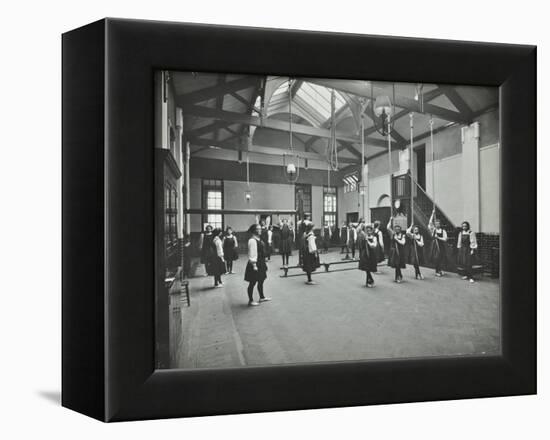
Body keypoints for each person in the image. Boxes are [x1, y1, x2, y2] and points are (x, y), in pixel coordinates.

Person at [244, 224, 272, 306]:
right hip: (255, 263)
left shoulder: (259, 239)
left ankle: (262, 297)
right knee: (252, 282)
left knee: (261, 280)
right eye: (258, 229)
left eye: (260, 229)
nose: (260, 230)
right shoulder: (252, 240)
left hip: (261, 262)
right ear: (254, 230)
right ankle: (251, 300)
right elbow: (252, 254)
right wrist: (254, 265)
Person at [428, 209, 448, 277]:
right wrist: (432, 214)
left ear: (440, 224)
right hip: (435, 246)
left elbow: (445, 239)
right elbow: (430, 222)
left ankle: (440, 270)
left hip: (441, 245)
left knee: (441, 258)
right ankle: (437, 271)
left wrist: (438, 237)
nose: (437, 224)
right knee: (436, 258)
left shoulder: (443, 231)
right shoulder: (433, 229)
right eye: (436, 223)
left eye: (438, 223)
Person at [387, 217, 407, 283]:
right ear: (394, 230)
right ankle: (398, 276)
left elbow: (403, 243)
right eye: (396, 229)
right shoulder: (393, 234)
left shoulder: (403, 235)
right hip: (394, 252)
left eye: (398, 229)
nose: (397, 230)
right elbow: (388, 227)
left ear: (400, 229)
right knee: (396, 265)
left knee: (398, 264)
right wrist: (390, 220)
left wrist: (397, 239)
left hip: (400, 252)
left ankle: (399, 276)